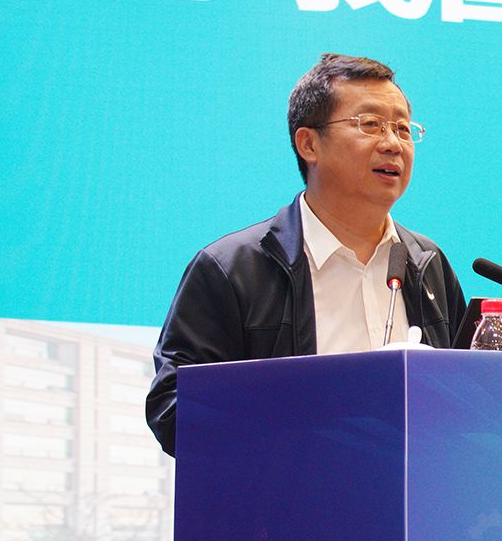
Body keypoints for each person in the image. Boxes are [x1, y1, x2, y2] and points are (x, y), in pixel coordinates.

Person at [145, 54, 467, 456]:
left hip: (414, 493)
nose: (392, 144)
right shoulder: (231, 269)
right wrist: (319, 413)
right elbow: (174, 412)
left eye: (403, 129)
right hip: (286, 492)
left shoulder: (426, 262)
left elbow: (469, 402)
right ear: (309, 143)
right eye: (370, 124)